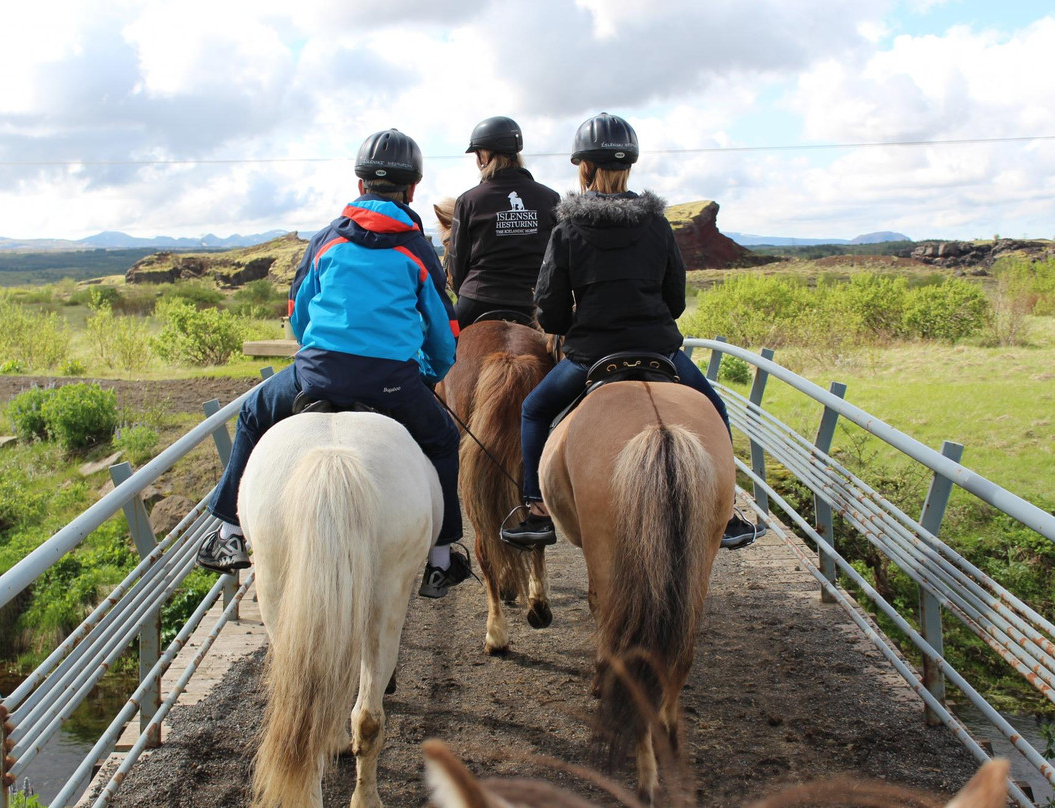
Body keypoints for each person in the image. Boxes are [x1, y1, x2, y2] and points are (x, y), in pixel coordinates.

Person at [196, 128, 473, 598]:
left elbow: (298, 311)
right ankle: (441, 558)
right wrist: (430, 372)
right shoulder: (417, 246)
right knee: (445, 440)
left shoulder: (327, 238)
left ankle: (229, 535)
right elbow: (443, 331)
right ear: (412, 189)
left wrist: (315, 353)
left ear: (360, 183)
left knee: (252, 413)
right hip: (392, 382)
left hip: (317, 373)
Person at [499, 112, 763, 551]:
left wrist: (571, 327)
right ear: (628, 167)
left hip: (591, 356)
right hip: (660, 350)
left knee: (534, 411)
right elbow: (675, 300)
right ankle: (730, 512)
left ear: (584, 167)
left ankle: (535, 509)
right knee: (714, 406)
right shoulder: (657, 224)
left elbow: (549, 308)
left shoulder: (567, 228)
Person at [447, 116, 561, 328]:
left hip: (478, 299)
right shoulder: (550, 198)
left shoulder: (468, 200)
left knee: (443, 347)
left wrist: (467, 291)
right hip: (533, 303)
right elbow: (557, 259)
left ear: (484, 155)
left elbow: (457, 261)